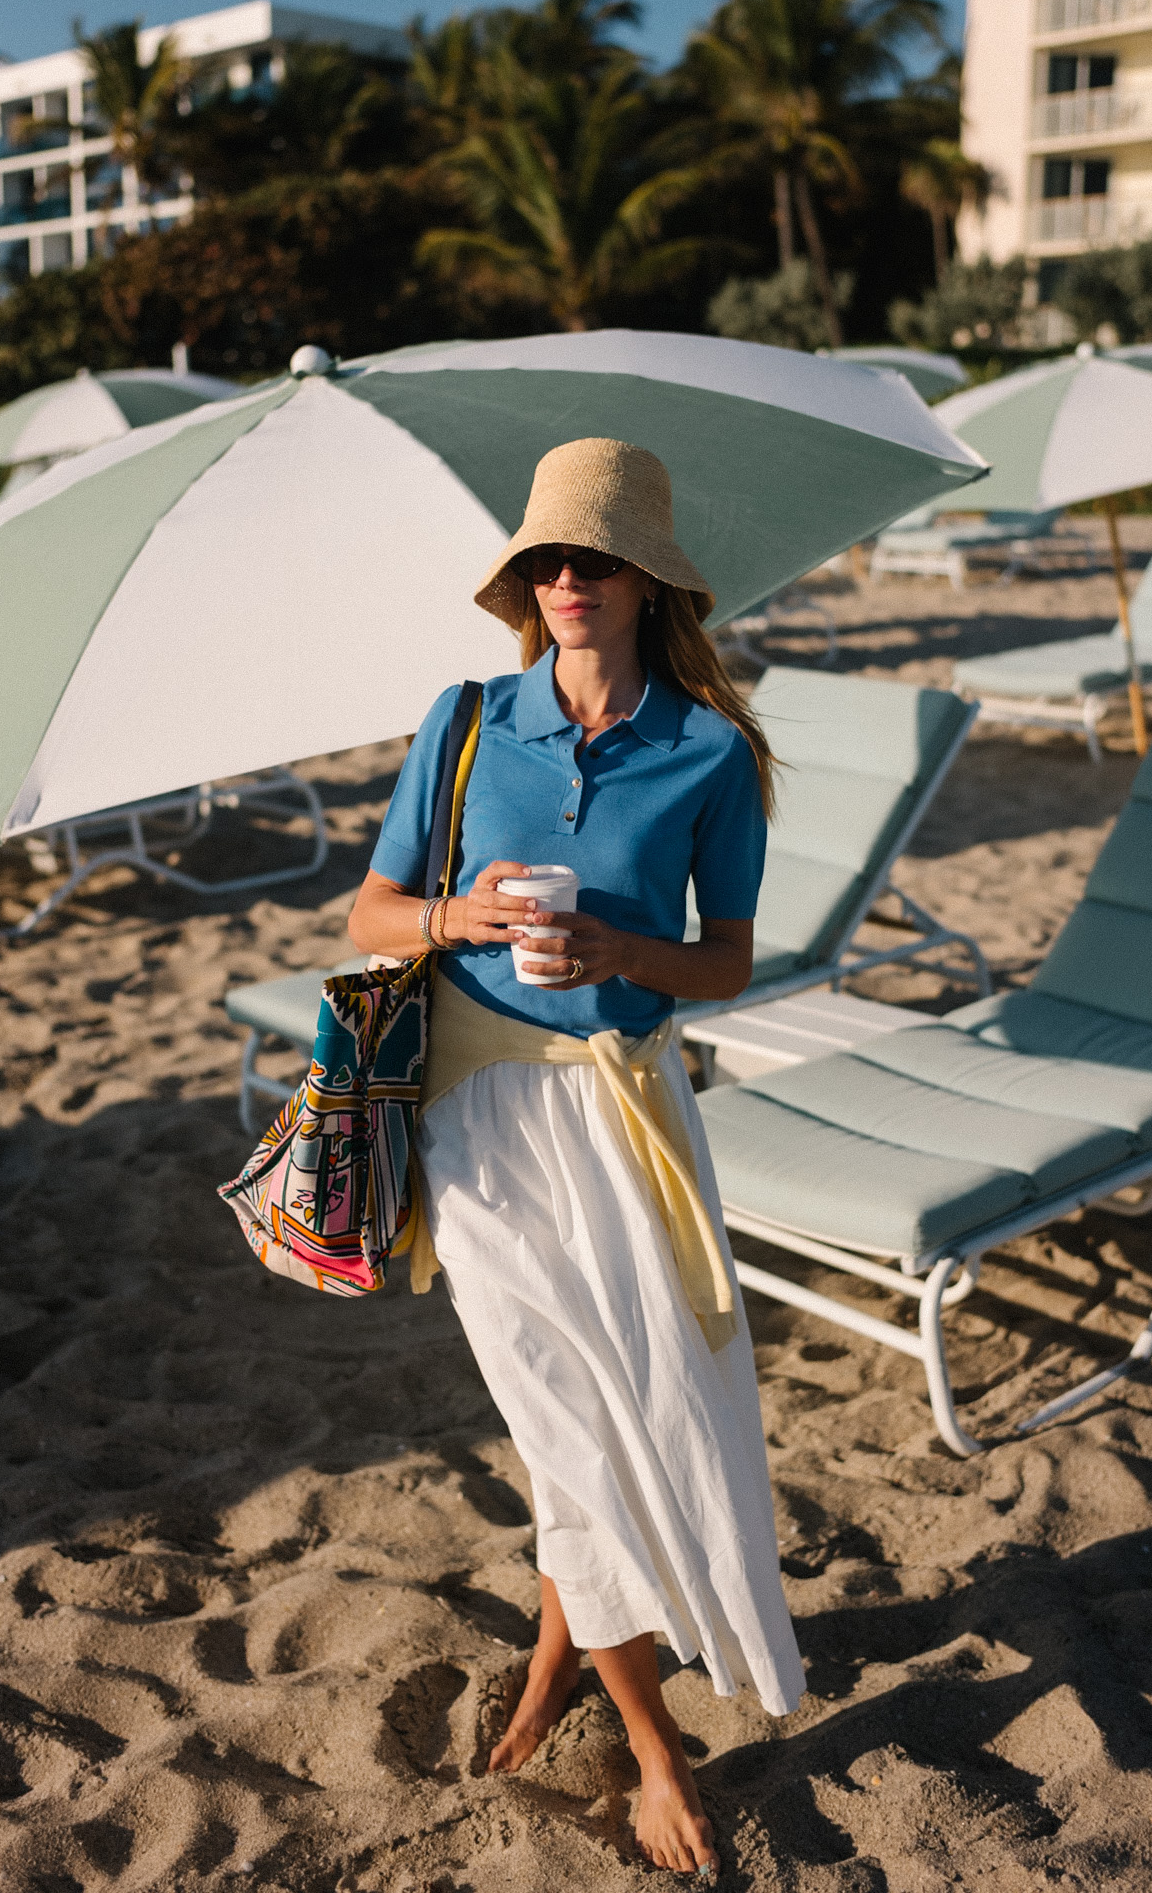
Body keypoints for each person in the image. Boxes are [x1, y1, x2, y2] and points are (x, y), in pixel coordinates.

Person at [349, 437, 804, 1879]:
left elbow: (725, 961)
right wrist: (457, 922)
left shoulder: (710, 753)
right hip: (478, 1121)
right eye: (541, 561)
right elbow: (367, 912)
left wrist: (628, 952)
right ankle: (652, 1744)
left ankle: (556, 1654)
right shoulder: (468, 720)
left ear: (647, 580)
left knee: (644, 1411)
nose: (561, 582)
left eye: (589, 560)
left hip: (626, 1110)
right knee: (562, 1419)